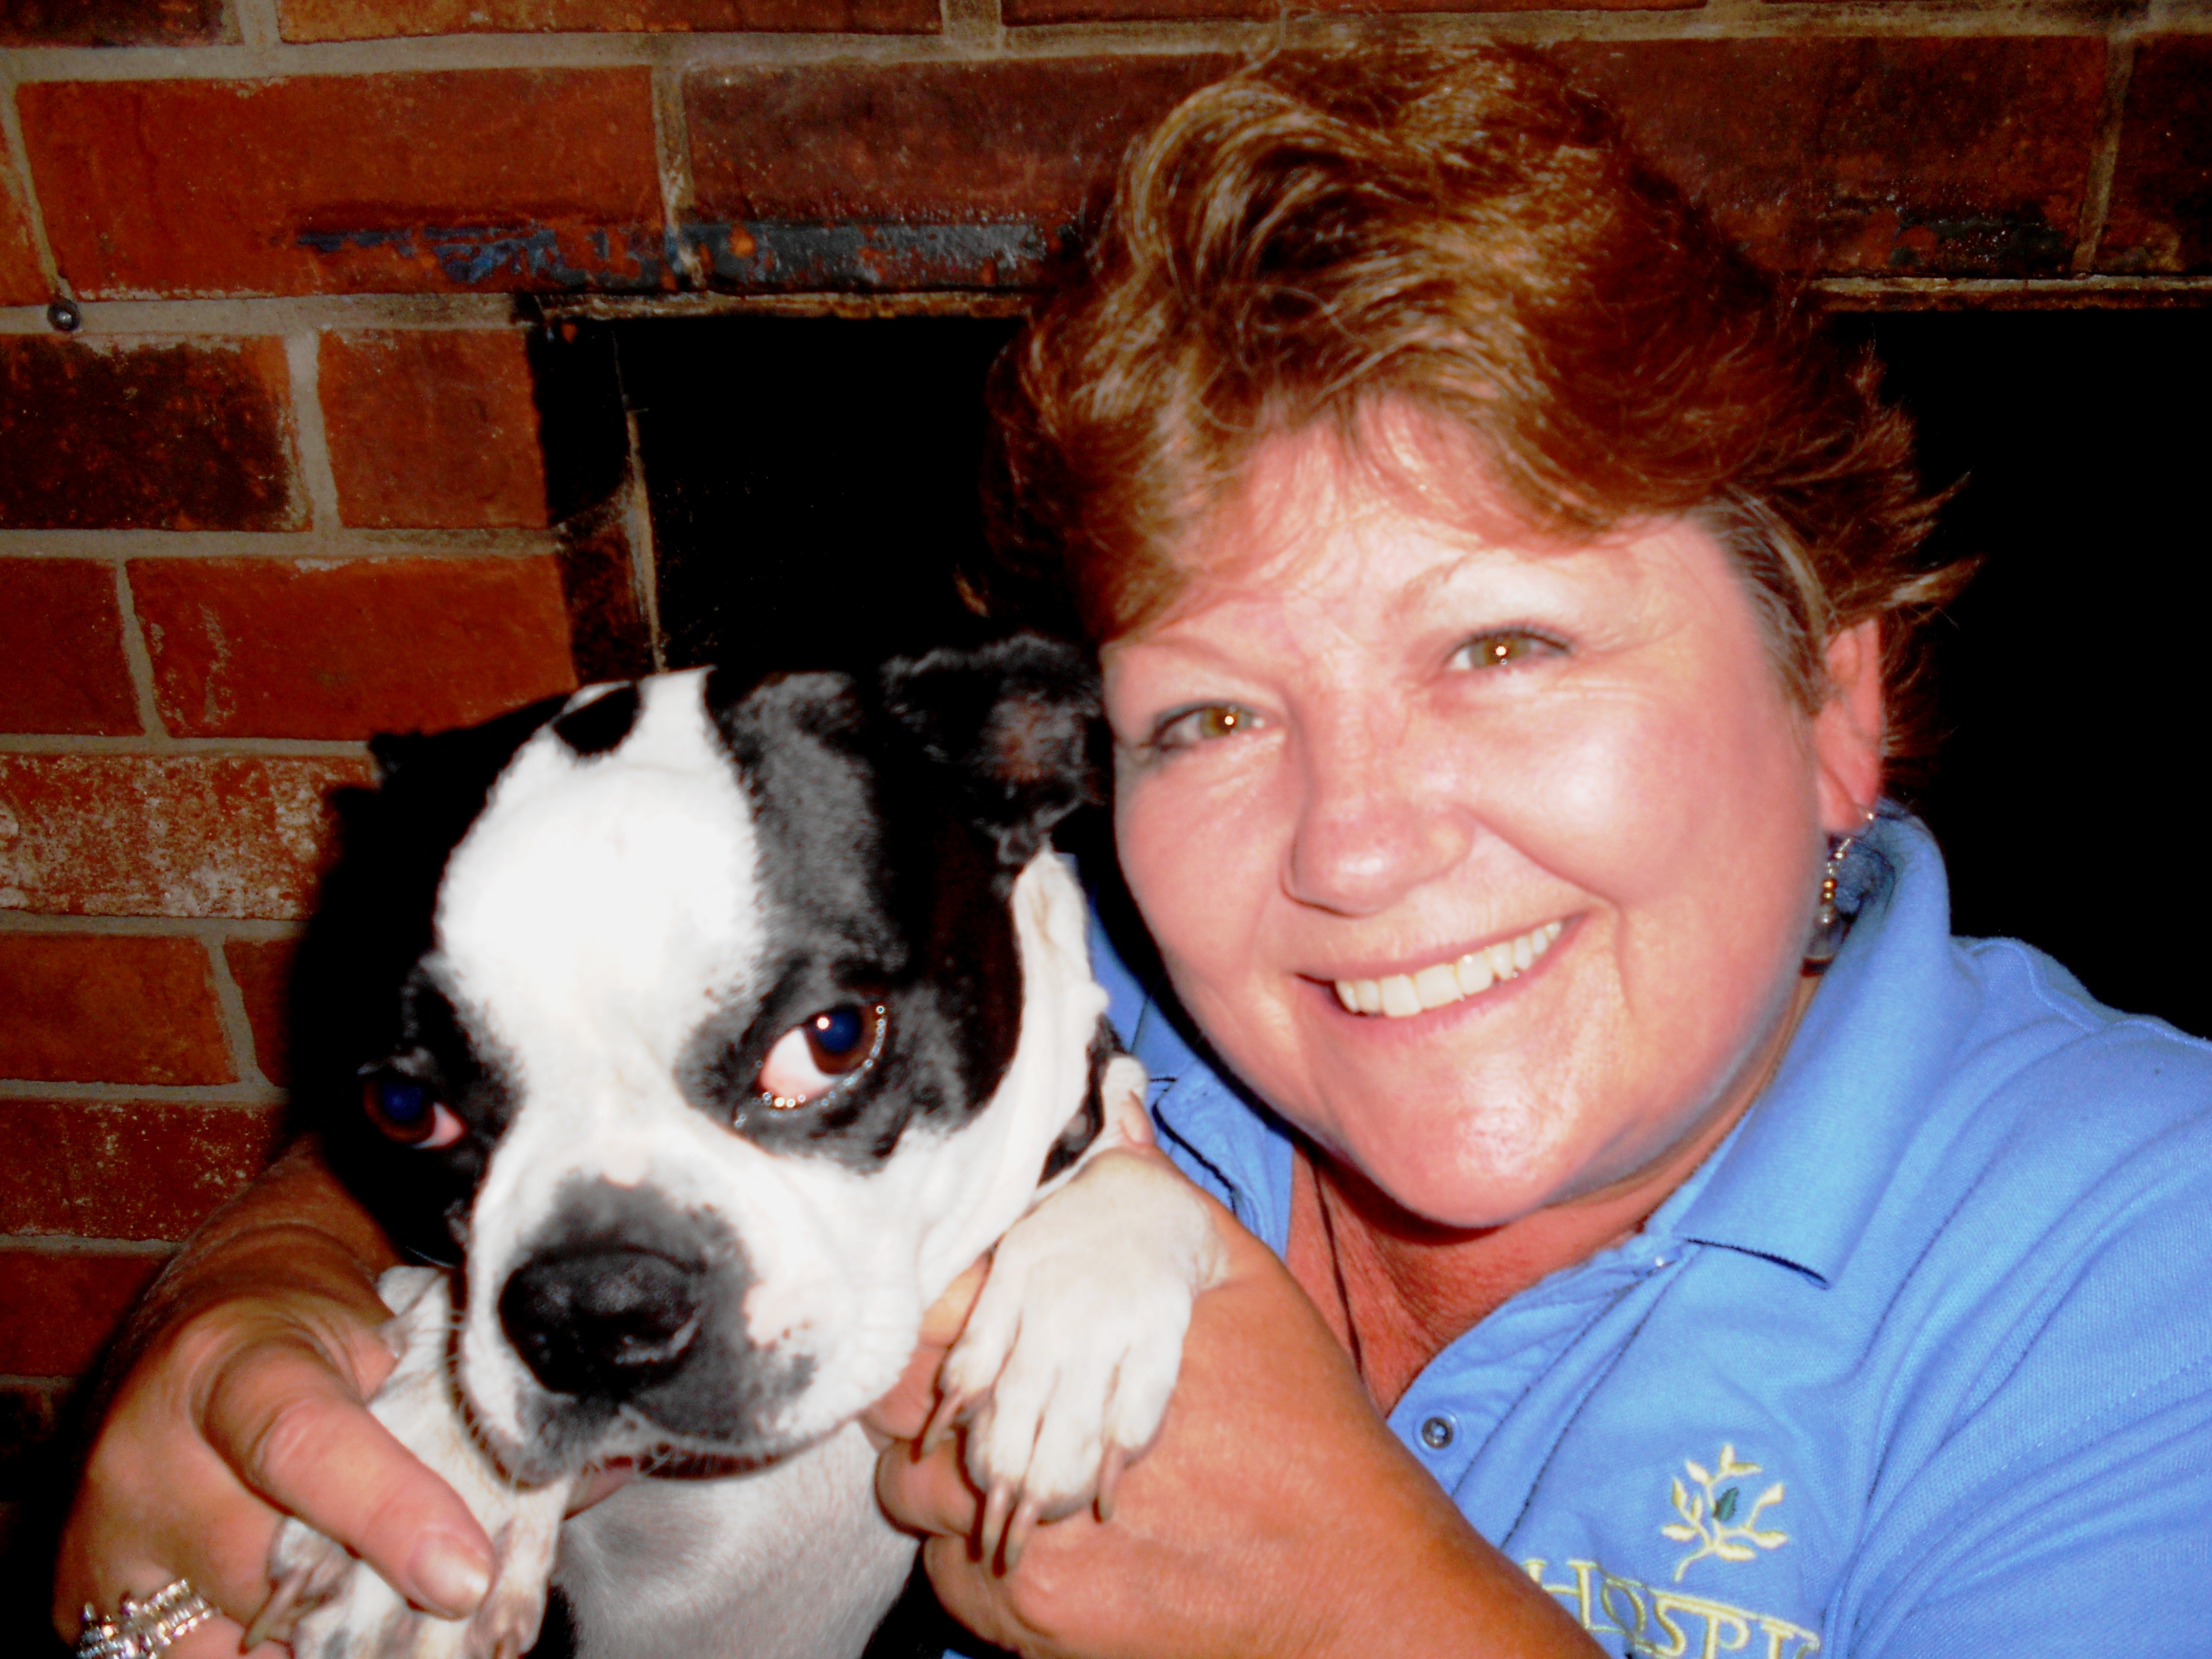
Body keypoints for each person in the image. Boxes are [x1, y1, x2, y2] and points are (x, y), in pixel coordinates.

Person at [57, 46, 2212, 1659]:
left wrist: (1366, 1614)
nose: (1357, 848)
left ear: (1836, 703)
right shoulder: (1063, 986)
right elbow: (561, 1066)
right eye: (1211, 716)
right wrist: (255, 1304)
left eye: (1506, 645)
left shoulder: (2138, 1263)